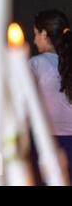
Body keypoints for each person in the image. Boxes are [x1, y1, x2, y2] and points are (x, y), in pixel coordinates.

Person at [29, 9, 72, 183]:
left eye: (36, 34)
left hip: (47, 145)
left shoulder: (36, 64)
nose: (34, 40)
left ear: (45, 34)